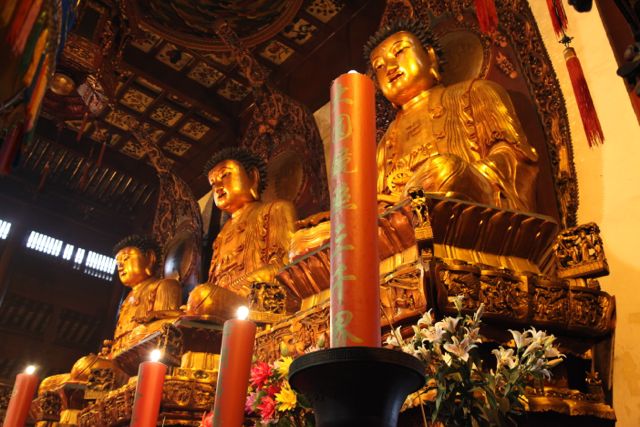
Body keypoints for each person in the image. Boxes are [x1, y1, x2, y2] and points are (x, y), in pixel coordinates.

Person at [365, 20, 539, 211]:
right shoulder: (385, 144)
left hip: (466, 207)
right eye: (379, 66)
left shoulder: (476, 92)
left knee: (443, 169)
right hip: (409, 218)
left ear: (430, 56)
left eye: (399, 52)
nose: (390, 68)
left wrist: (462, 175)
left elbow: (514, 159)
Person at [186, 147, 296, 315]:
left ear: (253, 177)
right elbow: (213, 283)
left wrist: (231, 289)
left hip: (259, 300)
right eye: (213, 183)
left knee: (202, 297)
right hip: (225, 303)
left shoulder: (276, 209)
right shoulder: (221, 235)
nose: (218, 187)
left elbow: (284, 266)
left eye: (225, 175)